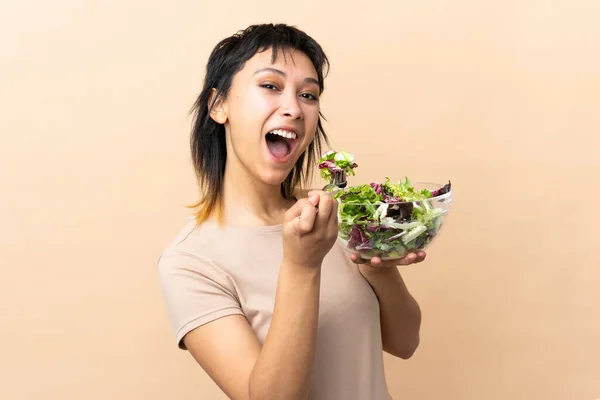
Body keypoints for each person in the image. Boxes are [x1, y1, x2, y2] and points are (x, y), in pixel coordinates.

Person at [157, 23, 425, 400]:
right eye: (270, 86)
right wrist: (301, 266)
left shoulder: (332, 215)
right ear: (219, 105)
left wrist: (374, 259)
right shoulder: (189, 262)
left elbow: (405, 341)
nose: (294, 108)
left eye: (308, 95)